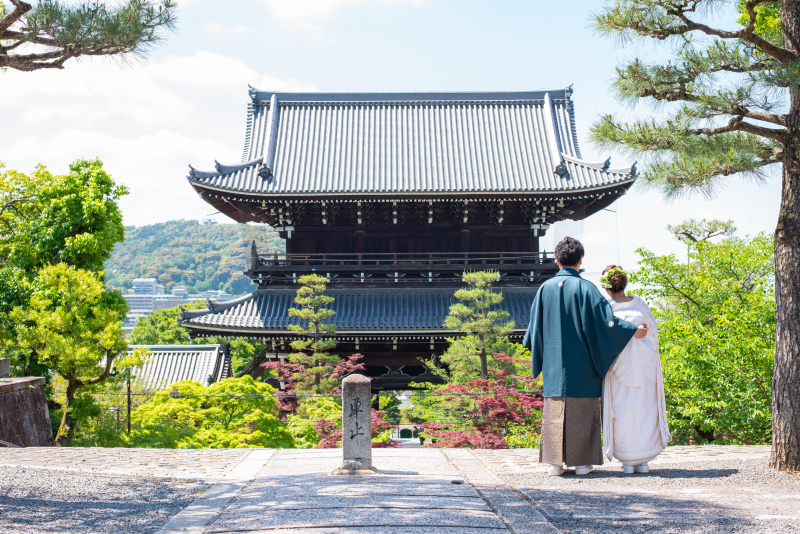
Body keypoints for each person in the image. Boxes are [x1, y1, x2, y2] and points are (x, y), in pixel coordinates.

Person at [523, 237, 647, 476]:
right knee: (582, 411)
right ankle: (581, 464)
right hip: (582, 366)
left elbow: (533, 332)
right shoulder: (587, 288)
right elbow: (606, 324)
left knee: (555, 413)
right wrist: (632, 330)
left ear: (557, 261)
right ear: (580, 261)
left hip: (553, 366)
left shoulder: (544, 289)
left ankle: (554, 464)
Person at [600, 266, 671, 474]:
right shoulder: (641, 306)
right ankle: (645, 459)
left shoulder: (608, 310)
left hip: (620, 371)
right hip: (644, 369)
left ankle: (628, 461)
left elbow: (604, 340)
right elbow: (654, 337)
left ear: (606, 288)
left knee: (622, 413)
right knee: (645, 411)